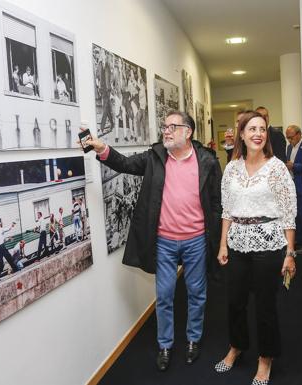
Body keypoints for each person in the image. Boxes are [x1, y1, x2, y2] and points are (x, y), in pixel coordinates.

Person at [83, 110, 222, 371]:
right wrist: (102, 148)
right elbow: (124, 164)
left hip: (196, 241)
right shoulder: (155, 157)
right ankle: (165, 344)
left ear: (188, 132)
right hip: (165, 242)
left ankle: (193, 339)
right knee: (165, 294)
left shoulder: (207, 161)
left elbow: (216, 202)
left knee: (197, 294)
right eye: (164, 126)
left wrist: (214, 234)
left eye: (172, 126)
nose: (166, 131)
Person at [215, 111, 296, 385]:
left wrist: (290, 252)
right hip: (237, 241)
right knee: (235, 301)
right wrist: (223, 243)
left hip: (269, 242)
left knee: (265, 304)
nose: (258, 133)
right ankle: (237, 346)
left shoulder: (277, 168)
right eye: (252, 129)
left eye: (262, 129)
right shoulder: (232, 168)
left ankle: (265, 358)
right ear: (241, 134)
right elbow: (226, 209)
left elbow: (288, 211)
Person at [285, 124, 302, 250]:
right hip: (290, 185)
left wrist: (294, 166)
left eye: (291, 137)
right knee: (293, 214)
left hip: (301, 185)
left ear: (299, 135)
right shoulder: (288, 148)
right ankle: (295, 240)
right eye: (287, 138)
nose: (289, 140)